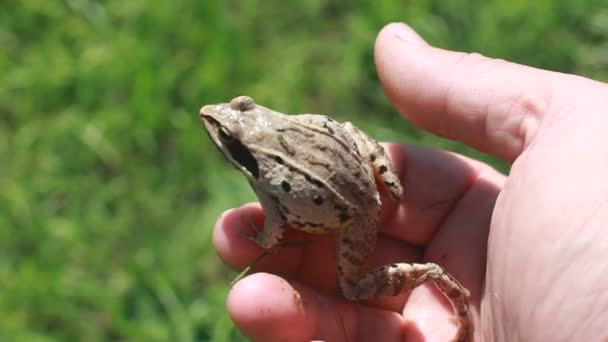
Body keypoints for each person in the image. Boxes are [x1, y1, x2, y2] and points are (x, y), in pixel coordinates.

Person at [211, 23, 608, 341]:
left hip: (353, 218)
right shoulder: (291, 121)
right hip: (359, 171)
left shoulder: (261, 175)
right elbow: (338, 128)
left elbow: (276, 224)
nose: (215, 117)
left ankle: (431, 274)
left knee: (350, 290)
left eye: (233, 123)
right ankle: (394, 191)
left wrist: (264, 242)